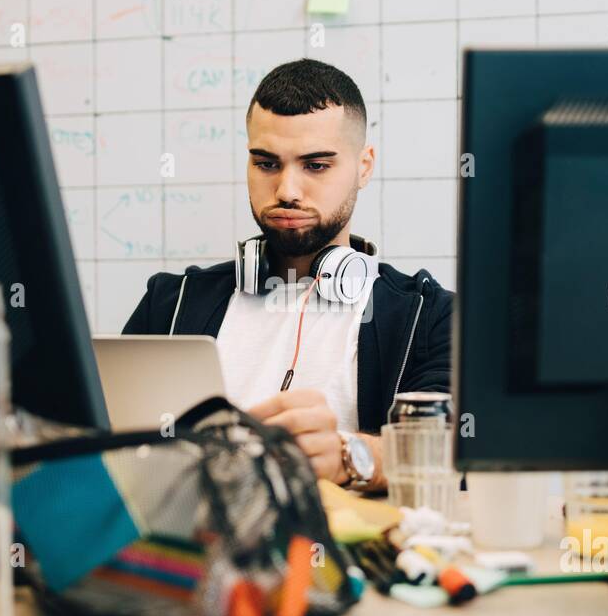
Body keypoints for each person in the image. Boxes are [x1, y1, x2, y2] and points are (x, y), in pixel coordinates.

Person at [122, 59, 453, 491]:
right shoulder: (170, 303)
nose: (287, 191)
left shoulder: (427, 317)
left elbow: (455, 446)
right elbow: (102, 437)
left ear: (364, 166)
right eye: (266, 164)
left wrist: (350, 455)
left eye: (316, 165)